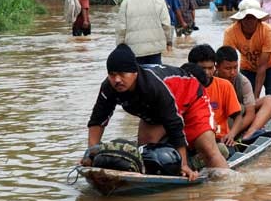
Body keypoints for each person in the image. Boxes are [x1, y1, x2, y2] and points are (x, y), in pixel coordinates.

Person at [81, 44, 229, 181]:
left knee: (208, 149)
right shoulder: (108, 87)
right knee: (145, 155)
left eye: (122, 74)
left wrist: (183, 165)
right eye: (112, 74)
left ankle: (228, 185)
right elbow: (98, 120)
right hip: (156, 112)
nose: (117, 80)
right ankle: (190, 160)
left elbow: (174, 124)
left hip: (191, 99)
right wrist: (90, 154)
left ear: (135, 73)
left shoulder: (152, 86)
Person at [223, 0, 271, 117]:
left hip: (270, 65)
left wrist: (256, 96)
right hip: (247, 67)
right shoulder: (230, 32)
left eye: (252, 18)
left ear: (258, 19)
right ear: (240, 19)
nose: (248, 21)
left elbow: (262, 67)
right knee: (245, 100)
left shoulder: (268, 32)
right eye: (245, 18)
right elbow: (227, 60)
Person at [215, 45, 271, 141]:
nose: (232, 73)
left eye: (235, 68)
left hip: (237, 116)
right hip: (218, 117)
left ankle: (249, 134)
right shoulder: (209, 80)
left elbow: (250, 114)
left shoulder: (243, 82)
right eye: (228, 69)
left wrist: (232, 133)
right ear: (217, 67)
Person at [188, 44, 242, 146]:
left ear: (215, 67)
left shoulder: (225, 86)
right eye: (203, 68)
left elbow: (238, 117)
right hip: (195, 140)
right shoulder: (185, 87)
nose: (207, 72)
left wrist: (231, 135)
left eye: (210, 68)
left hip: (220, 140)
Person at [116, 0, 171, 65]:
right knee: (154, 77)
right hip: (155, 49)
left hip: (134, 50)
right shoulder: (158, 0)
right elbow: (166, 24)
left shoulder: (126, 3)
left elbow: (121, 29)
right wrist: (168, 42)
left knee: (138, 78)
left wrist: (120, 47)